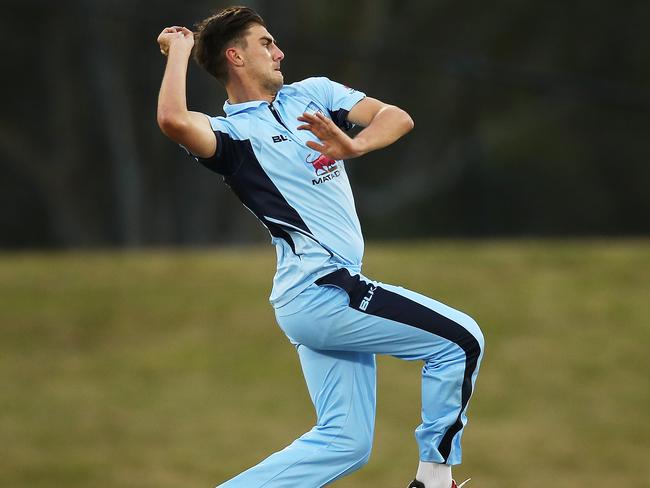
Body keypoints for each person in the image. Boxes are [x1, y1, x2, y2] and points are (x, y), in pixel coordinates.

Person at [156, 6, 483, 488]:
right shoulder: (230, 136)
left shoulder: (312, 95)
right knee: (461, 339)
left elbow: (396, 117)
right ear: (235, 56)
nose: (279, 50)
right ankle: (435, 479)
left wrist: (355, 146)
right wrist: (180, 50)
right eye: (265, 43)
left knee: (345, 443)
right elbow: (171, 119)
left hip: (314, 295)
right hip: (322, 290)